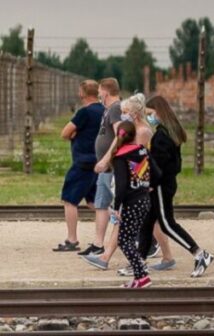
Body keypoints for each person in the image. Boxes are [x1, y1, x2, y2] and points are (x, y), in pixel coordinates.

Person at [82, 93, 162, 270]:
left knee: (132, 223)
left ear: (133, 113)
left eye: (125, 112)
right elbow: (118, 144)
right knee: (136, 222)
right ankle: (107, 258)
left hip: (135, 186)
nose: (122, 115)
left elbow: (137, 160)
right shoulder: (132, 130)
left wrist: (129, 183)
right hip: (135, 185)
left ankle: (134, 261)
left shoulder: (141, 132)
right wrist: (106, 161)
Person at [138, 95, 214, 277]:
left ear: (158, 112)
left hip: (160, 186)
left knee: (167, 224)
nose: (149, 117)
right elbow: (174, 165)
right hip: (166, 183)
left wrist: (150, 184)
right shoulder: (169, 132)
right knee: (147, 223)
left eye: (150, 114)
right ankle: (138, 263)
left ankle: (199, 254)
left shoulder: (161, 137)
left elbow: (158, 167)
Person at [54, 80, 104, 252]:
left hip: (82, 162)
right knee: (96, 202)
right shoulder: (104, 111)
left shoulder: (84, 112)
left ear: (82, 93)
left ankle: (72, 239)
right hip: (98, 161)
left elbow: (65, 132)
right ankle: (128, 229)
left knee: (69, 200)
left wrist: (75, 134)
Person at [77, 78, 122, 257]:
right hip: (106, 167)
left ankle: (147, 239)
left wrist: (106, 158)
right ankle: (98, 244)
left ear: (106, 91)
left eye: (100, 92)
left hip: (112, 165)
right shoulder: (108, 109)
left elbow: (121, 135)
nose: (98, 95)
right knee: (101, 203)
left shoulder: (116, 108)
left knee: (119, 206)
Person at [110, 120, 152, 288]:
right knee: (131, 238)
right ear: (134, 135)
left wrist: (116, 206)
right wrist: (149, 185)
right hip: (145, 200)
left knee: (124, 240)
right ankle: (141, 274)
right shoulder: (143, 151)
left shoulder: (120, 157)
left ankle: (141, 276)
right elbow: (155, 170)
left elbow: (120, 186)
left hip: (131, 203)